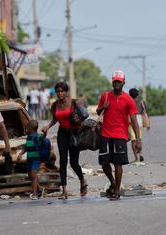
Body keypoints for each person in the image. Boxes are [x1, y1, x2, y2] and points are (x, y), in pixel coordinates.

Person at [96, 71, 142, 201]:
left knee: (118, 164)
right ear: (112, 82)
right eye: (115, 81)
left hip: (120, 135)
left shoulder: (128, 99)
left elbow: (133, 121)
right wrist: (102, 107)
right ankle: (113, 182)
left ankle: (116, 191)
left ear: (123, 82)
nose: (117, 83)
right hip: (105, 133)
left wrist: (138, 140)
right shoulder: (105, 96)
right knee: (104, 163)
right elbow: (98, 111)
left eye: (119, 81)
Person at [41, 81, 87, 199]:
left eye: (62, 91)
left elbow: (84, 116)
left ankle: (82, 180)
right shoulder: (55, 105)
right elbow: (55, 119)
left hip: (74, 133)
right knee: (62, 161)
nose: (60, 93)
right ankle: (64, 190)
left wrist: (79, 121)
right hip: (62, 133)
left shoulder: (74, 103)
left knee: (73, 162)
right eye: (58, 91)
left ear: (66, 92)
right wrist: (47, 126)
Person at [17, 120, 45, 200]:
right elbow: (26, 147)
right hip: (29, 159)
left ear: (30, 129)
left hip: (36, 159)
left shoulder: (37, 136)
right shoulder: (28, 137)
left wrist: (45, 133)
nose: (25, 129)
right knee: (30, 175)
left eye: (26, 128)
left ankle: (35, 194)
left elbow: (43, 137)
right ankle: (39, 189)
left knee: (33, 175)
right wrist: (20, 154)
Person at [128, 88, 150, 162]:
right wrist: (148, 123)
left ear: (130, 95)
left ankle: (136, 158)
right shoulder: (141, 102)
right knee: (139, 139)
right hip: (139, 120)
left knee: (133, 140)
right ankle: (140, 153)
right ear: (137, 95)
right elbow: (145, 112)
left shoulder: (128, 101)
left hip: (131, 120)